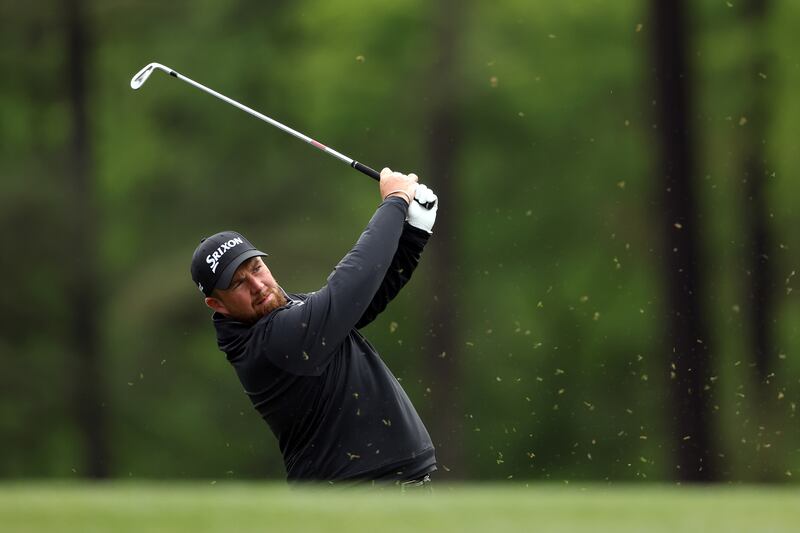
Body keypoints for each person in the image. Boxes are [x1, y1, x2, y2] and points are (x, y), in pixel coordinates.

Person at [190, 168, 439, 487]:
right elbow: (348, 288)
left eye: (256, 268)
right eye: (238, 283)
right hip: (355, 498)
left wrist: (414, 233)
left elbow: (365, 299)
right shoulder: (269, 344)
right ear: (218, 305)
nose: (257, 284)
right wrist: (394, 202)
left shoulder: (288, 312)